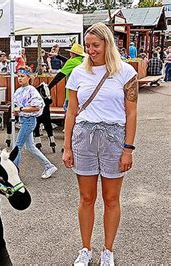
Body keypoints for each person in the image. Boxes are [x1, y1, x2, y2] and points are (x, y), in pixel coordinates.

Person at [63, 22, 138, 266]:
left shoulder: (126, 72)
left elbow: (132, 113)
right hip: (83, 137)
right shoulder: (78, 73)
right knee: (86, 197)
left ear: (108, 44)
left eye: (96, 45)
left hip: (114, 138)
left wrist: (128, 148)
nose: (91, 50)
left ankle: (108, 250)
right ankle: (85, 249)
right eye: (88, 46)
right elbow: (72, 112)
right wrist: (67, 146)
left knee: (111, 198)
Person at [13, 66, 58, 179]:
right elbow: (18, 106)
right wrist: (17, 112)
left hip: (29, 121)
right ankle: (49, 166)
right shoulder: (18, 91)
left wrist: (21, 110)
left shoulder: (32, 90)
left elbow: (37, 107)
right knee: (30, 147)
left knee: (17, 146)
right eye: (18, 76)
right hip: (23, 120)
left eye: (22, 76)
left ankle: (14, 173)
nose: (19, 78)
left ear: (29, 77)